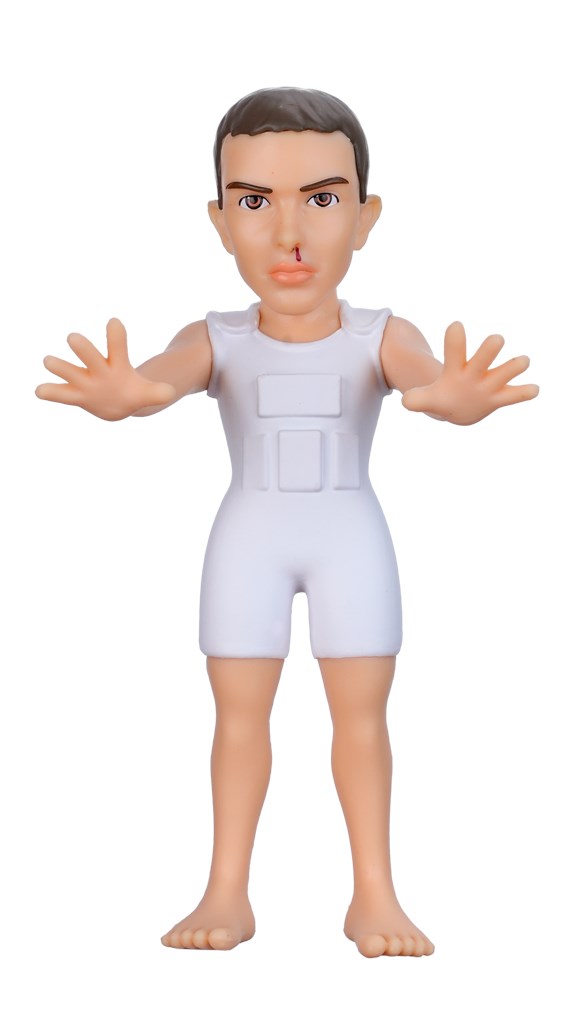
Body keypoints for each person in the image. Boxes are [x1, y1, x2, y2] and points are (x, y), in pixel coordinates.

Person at [36, 87, 538, 957]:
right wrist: (129, 393)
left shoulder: (379, 333)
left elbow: (424, 378)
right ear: (219, 221)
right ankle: (226, 889)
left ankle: (373, 893)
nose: (289, 233)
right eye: (254, 202)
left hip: (352, 547)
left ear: (366, 217)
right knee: (237, 720)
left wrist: (452, 397)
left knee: (362, 721)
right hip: (247, 547)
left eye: (323, 199)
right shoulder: (217, 336)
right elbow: (159, 379)